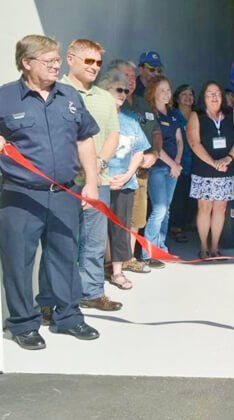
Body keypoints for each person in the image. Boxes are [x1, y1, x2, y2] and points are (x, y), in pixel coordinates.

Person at [0, 34, 101, 350]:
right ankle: (23, 324)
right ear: (27, 63)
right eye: (49, 61)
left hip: (63, 194)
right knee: (19, 262)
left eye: (58, 60)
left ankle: (68, 317)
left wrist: (92, 183)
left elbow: (85, 140)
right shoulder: (5, 98)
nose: (57, 65)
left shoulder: (69, 96)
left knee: (64, 256)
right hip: (20, 195)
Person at [49, 39, 121, 312]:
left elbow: (113, 134)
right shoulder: (55, 91)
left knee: (94, 241)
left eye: (98, 62)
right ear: (71, 58)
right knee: (61, 241)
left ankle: (91, 293)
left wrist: (98, 162)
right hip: (63, 183)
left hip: (96, 182)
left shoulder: (104, 97)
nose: (94, 67)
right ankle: (56, 299)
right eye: (88, 61)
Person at [107, 59, 162, 272]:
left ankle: (128, 259)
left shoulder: (142, 103)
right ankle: (110, 262)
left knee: (136, 217)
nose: (130, 80)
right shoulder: (108, 104)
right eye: (125, 76)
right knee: (114, 218)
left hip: (141, 169)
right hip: (115, 172)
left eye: (131, 76)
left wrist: (155, 153)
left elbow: (156, 132)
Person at [97, 69, 149, 291]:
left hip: (124, 183)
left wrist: (128, 174)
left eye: (125, 90)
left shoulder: (129, 119)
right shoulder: (95, 117)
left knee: (120, 229)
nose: (122, 93)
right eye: (118, 89)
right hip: (99, 183)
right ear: (105, 91)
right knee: (95, 231)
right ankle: (95, 273)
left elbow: (139, 151)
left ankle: (117, 272)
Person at [186, 81, 234, 258]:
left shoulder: (233, 113)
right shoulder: (196, 115)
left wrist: (227, 159)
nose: (214, 96)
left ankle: (214, 246)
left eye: (217, 93)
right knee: (204, 208)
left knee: (220, 208)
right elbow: (194, 143)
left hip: (226, 168)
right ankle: (204, 247)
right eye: (210, 93)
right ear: (203, 97)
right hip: (204, 169)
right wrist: (214, 163)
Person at [142, 75, 183, 264]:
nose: (167, 94)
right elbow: (155, 144)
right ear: (153, 93)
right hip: (157, 168)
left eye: (168, 90)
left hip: (172, 169)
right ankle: (148, 252)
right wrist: (172, 164)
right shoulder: (150, 113)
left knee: (166, 211)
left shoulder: (173, 113)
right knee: (159, 209)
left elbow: (179, 140)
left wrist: (177, 163)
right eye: (162, 90)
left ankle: (161, 248)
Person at [168, 84, 196, 244]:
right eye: (184, 94)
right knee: (178, 196)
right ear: (177, 98)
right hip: (178, 161)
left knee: (190, 195)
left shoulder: (197, 116)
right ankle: (175, 228)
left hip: (195, 162)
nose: (187, 97)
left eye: (190, 94)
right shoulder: (173, 115)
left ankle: (186, 223)